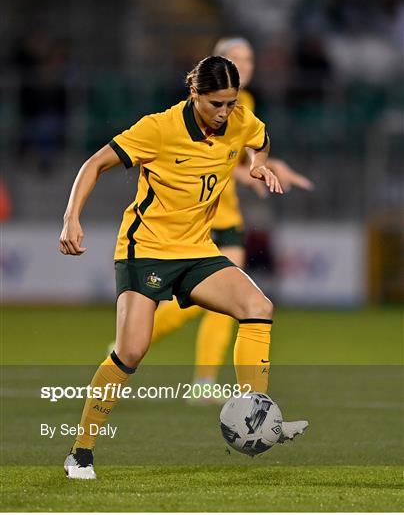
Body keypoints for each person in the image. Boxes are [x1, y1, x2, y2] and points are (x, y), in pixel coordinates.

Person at [60, 56, 308, 479]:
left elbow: (259, 138)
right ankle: (81, 450)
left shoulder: (239, 120)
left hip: (196, 250)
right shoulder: (158, 129)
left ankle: (257, 415)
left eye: (230, 103)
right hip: (147, 250)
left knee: (258, 307)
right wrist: (71, 217)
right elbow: (93, 164)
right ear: (194, 94)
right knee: (131, 350)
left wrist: (258, 164)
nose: (225, 113)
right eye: (216, 104)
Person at [144, 38, 314, 399]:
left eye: (249, 58)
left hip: (227, 215)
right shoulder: (206, 108)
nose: (245, 65)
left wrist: (269, 165)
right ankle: (139, 337)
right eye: (237, 59)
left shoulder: (243, 106)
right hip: (197, 219)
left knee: (229, 303)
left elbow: (247, 152)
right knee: (205, 303)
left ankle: (203, 380)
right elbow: (212, 160)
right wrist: (251, 170)